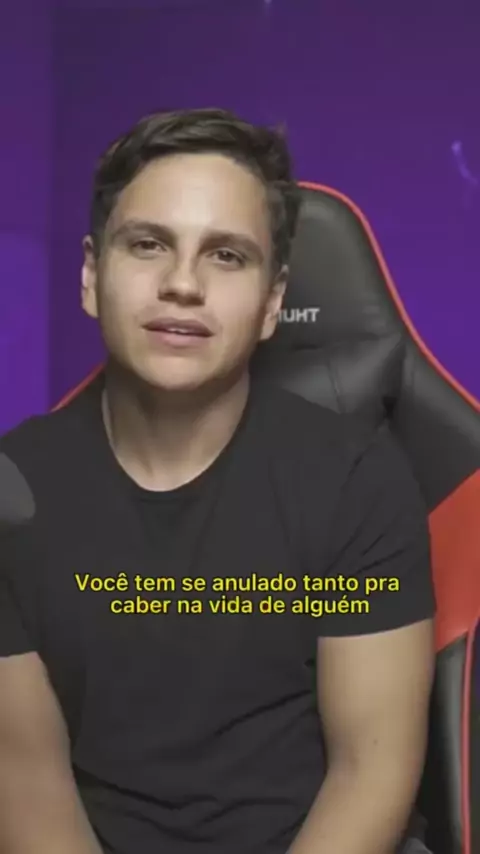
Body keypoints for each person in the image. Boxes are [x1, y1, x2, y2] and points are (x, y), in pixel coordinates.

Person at [0, 108, 435, 854]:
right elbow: (27, 782)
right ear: (91, 275)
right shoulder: (13, 494)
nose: (182, 284)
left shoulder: (356, 480)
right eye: (148, 245)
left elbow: (370, 773)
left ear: (272, 302)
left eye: (227, 256)